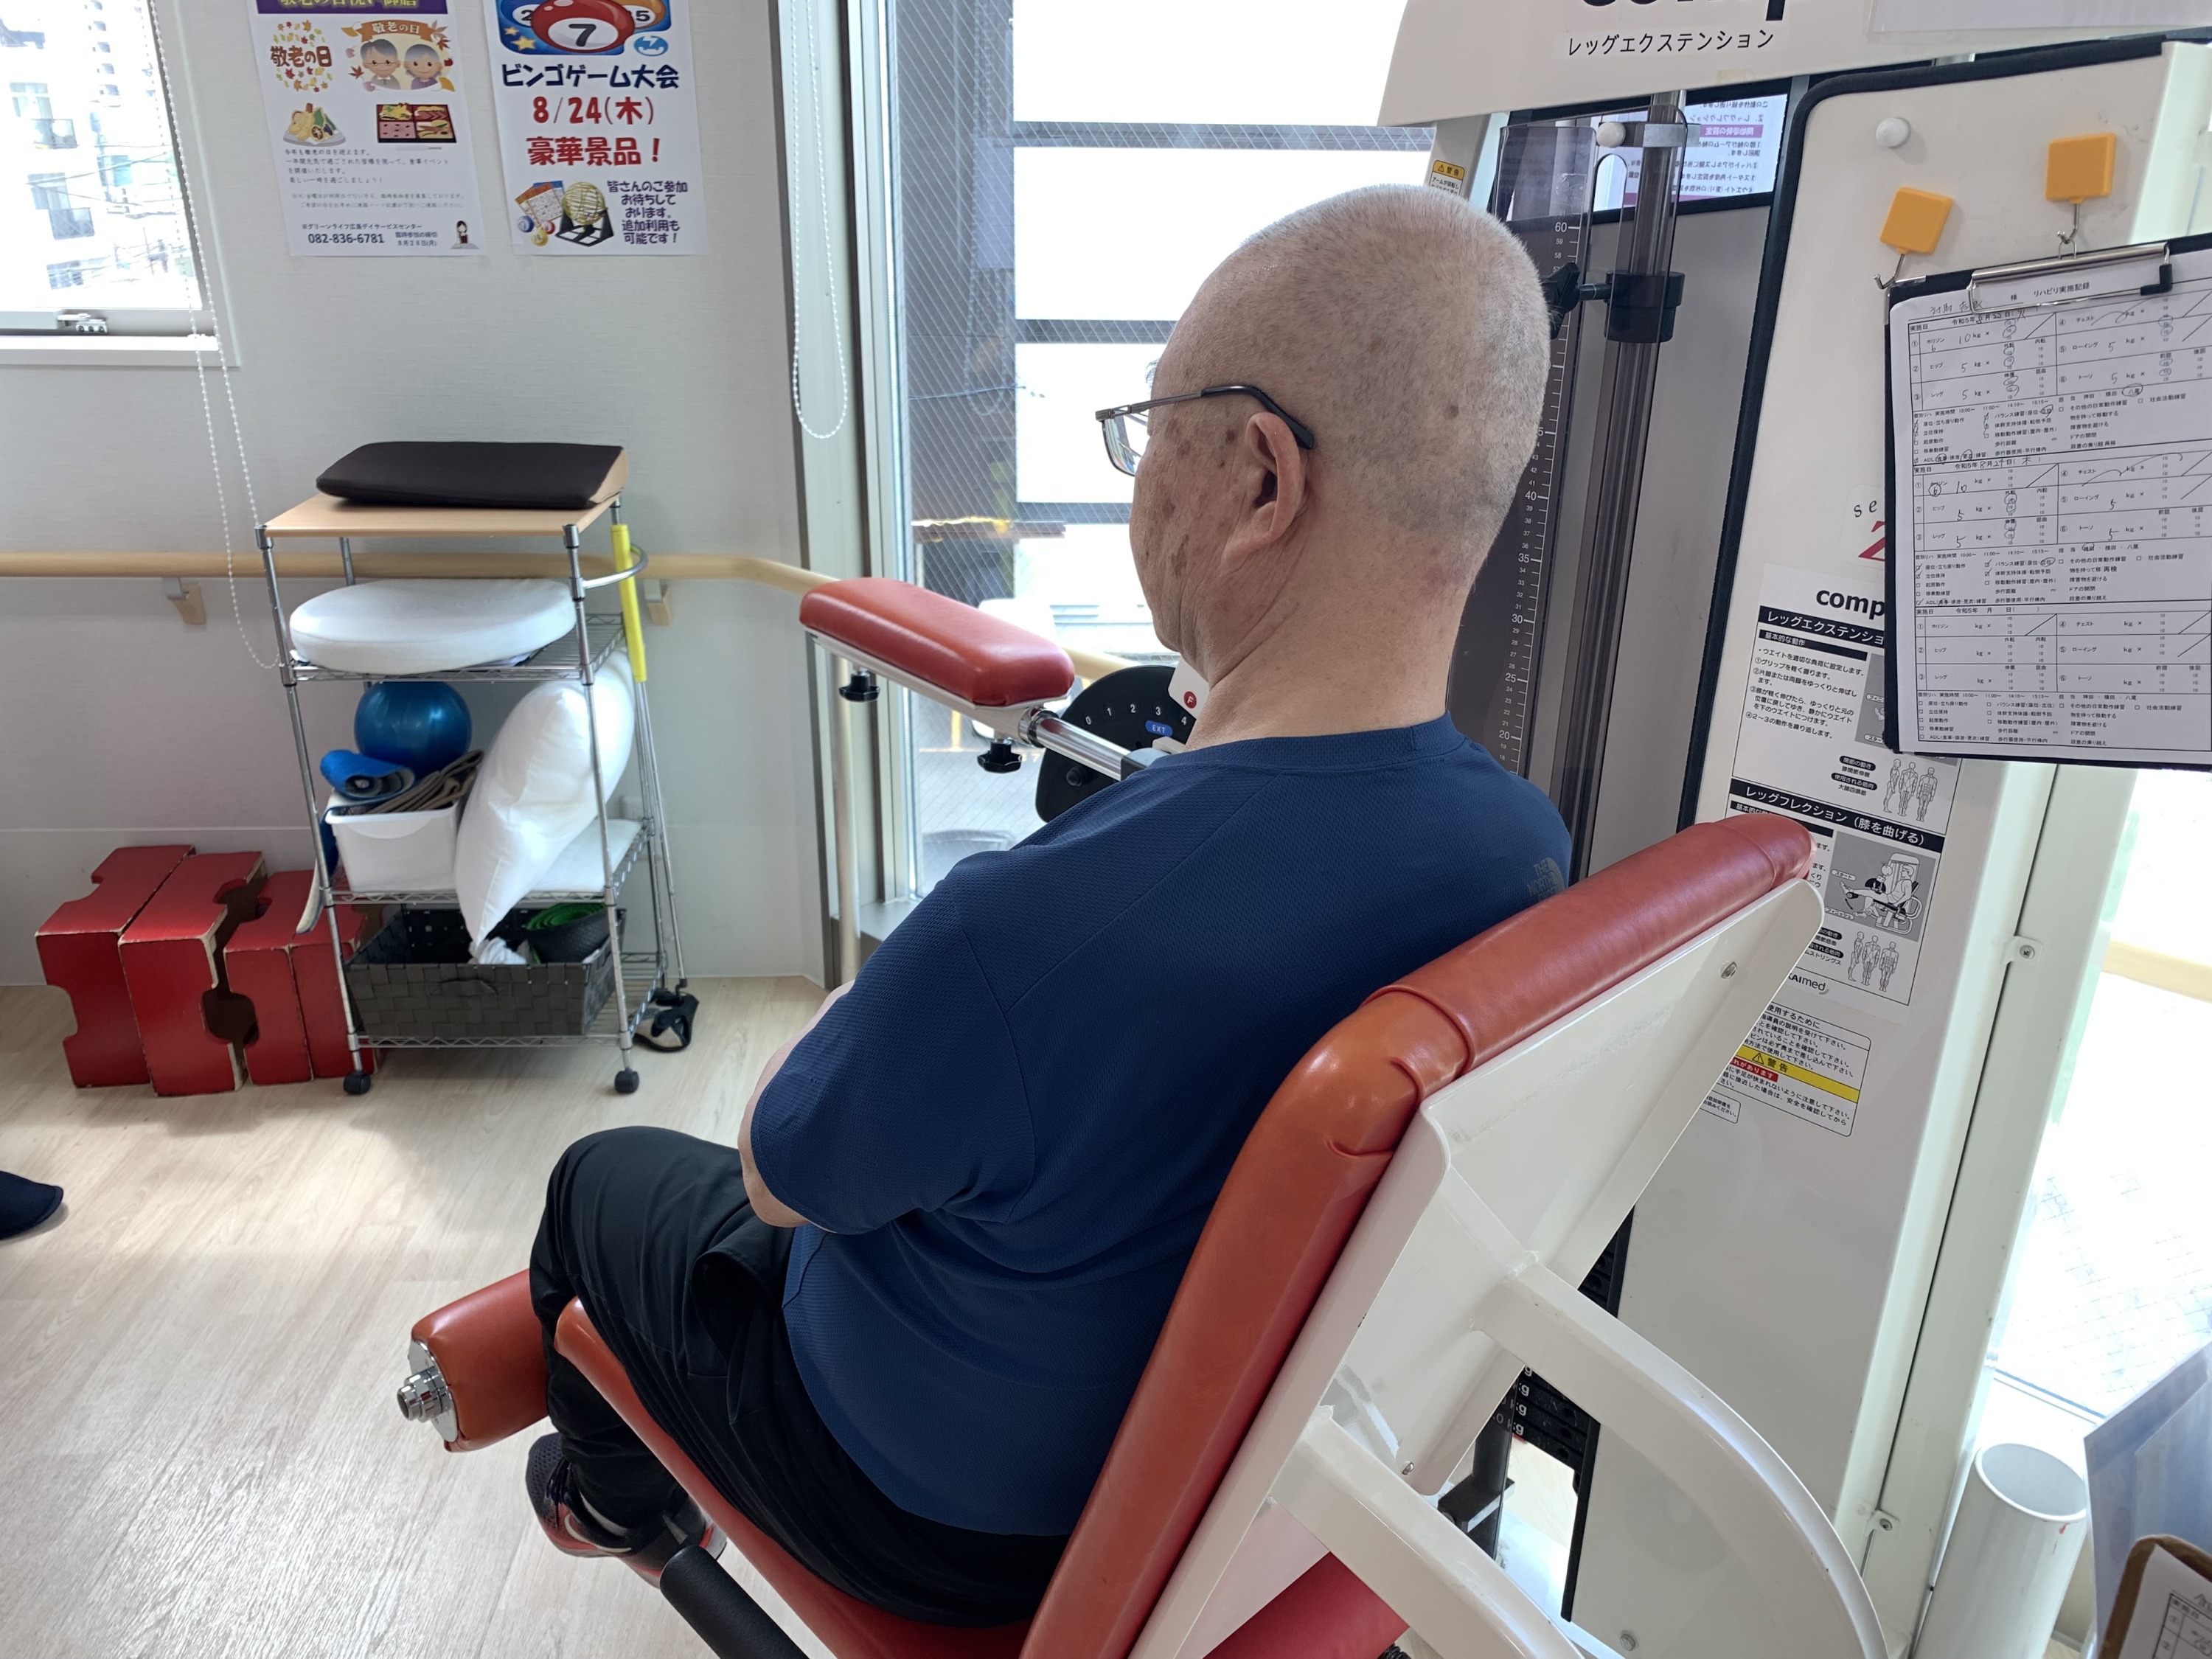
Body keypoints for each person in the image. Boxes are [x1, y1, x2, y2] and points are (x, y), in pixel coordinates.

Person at [522, 184, 1568, 1623]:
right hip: (1257, 1481)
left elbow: (781, 1175)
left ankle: (608, 1499)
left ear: (1264, 482)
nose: (1140, 483)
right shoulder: (1523, 854)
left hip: (937, 1516)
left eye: (1152, 434)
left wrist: (868, 1000)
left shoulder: (1015, 933)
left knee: (597, 1182)